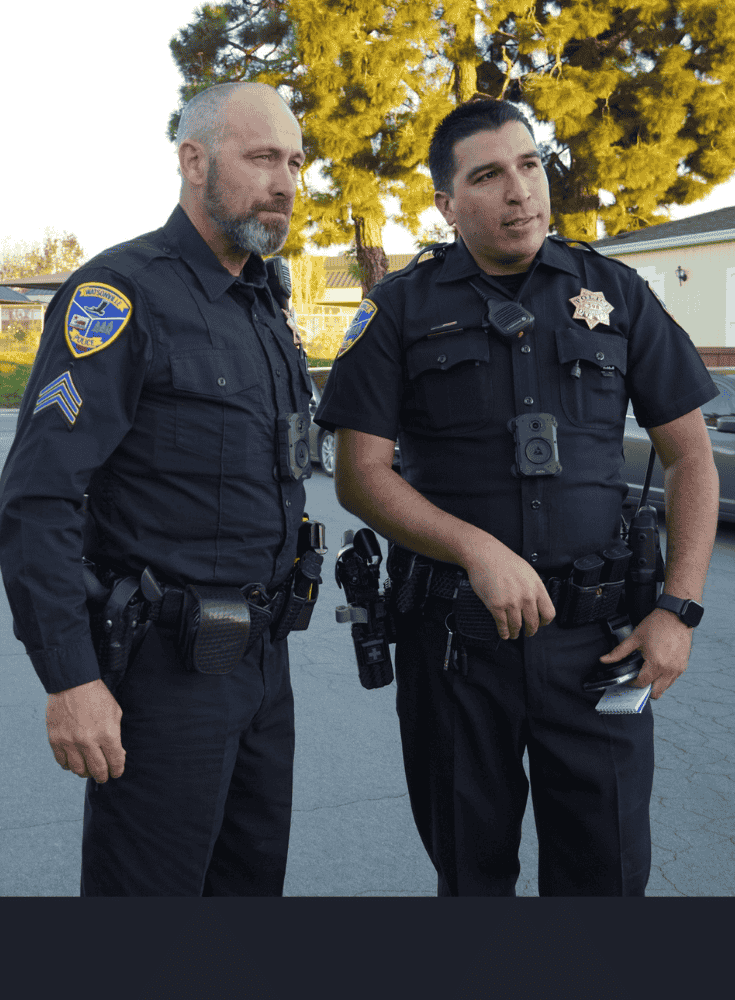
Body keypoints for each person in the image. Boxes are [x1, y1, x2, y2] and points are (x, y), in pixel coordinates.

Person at [314, 98, 720, 896]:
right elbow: (362, 475)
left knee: (606, 879)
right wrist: (477, 550)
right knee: (471, 876)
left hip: (601, 648)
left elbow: (690, 460)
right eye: (489, 175)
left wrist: (678, 610)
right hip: (457, 650)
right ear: (446, 203)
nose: (519, 191)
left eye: (529, 165)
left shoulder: (615, 293)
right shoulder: (400, 307)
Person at [0, 82, 315, 896]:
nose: (283, 181)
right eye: (260, 158)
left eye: (293, 162)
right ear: (192, 160)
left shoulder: (263, 304)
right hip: (163, 681)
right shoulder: (119, 295)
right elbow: (39, 496)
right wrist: (70, 680)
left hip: (262, 671)